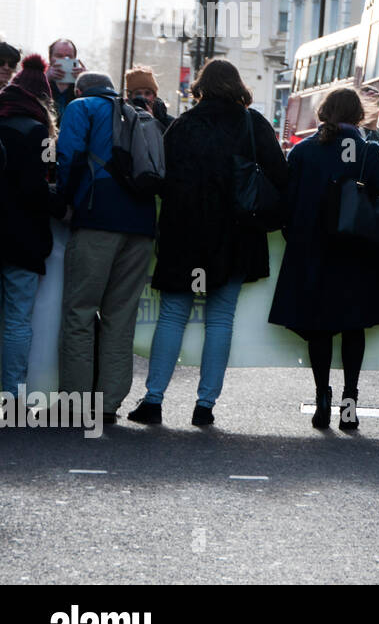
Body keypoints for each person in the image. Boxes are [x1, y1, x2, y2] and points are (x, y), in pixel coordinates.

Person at [126, 59, 288, 427]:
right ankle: (205, 405)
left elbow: (162, 178)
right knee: (219, 320)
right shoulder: (252, 123)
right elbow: (281, 175)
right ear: (238, 86)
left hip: (185, 236)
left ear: (201, 86)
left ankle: (153, 401)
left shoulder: (183, 125)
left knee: (172, 316)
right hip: (235, 236)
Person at [269, 87, 379, 429]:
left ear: (323, 113)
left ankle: (322, 398)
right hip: (357, 252)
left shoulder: (302, 152)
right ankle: (349, 404)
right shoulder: (369, 152)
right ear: (359, 116)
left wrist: (296, 236)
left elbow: (287, 203)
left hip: (314, 252)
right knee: (352, 328)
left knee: (320, 328)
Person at [56, 71, 157, 424]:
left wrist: (65, 201)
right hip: (142, 224)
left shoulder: (80, 106)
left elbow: (67, 156)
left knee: (80, 313)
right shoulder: (136, 110)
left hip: (98, 219)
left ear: (82, 89)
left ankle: (76, 403)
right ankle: (109, 403)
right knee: (120, 316)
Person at [0, 55, 59, 400]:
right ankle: (12, 395)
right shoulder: (39, 131)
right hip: (22, 239)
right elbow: (42, 186)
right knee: (18, 321)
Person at [124, 65, 173, 132]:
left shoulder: (169, 123)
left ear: (154, 96)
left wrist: (151, 120)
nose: (143, 98)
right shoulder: (123, 119)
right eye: (138, 94)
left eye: (147, 93)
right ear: (130, 97)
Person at [46, 39, 84, 120]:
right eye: (59, 56)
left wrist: (85, 81)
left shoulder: (82, 85)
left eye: (69, 57)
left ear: (75, 59)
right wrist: (45, 78)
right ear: (50, 58)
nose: (65, 60)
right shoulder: (39, 82)